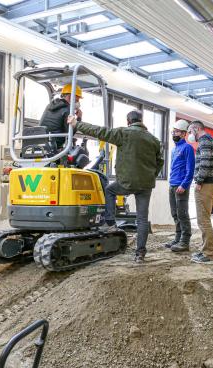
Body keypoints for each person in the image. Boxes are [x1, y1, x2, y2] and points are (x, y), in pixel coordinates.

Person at [67, 110, 164, 263]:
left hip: (126, 182)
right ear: (141, 120)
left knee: (109, 190)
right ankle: (140, 254)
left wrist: (76, 124)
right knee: (142, 219)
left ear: (128, 121)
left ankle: (111, 222)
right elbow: (160, 161)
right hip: (146, 184)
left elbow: (99, 131)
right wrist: (152, 174)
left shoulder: (123, 133)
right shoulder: (153, 140)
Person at [188, 120, 213, 264]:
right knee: (204, 219)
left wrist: (199, 181)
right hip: (209, 183)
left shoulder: (205, 141)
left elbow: (205, 162)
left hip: (206, 184)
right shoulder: (208, 140)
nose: (189, 135)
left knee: (203, 220)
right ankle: (205, 251)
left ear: (196, 128)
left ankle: (208, 254)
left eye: (190, 131)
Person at [166, 120, 195, 252]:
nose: (174, 133)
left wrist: (184, 185)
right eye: (173, 131)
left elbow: (190, 170)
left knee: (182, 214)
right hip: (172, 185)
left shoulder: (187, 148)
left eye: (176, 131)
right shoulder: (175, 149)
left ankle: (185, 241)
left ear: (184, 134)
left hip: (181, 186)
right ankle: (177, 238)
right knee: (174, 213)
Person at [39, 84, 83, 151]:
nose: (78, 102)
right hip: (55, 146)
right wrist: (79, 118)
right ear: (70, 96)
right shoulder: (67, 109)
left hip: (41, 144)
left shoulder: (49, 105)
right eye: (77, 100)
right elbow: (70, 133)